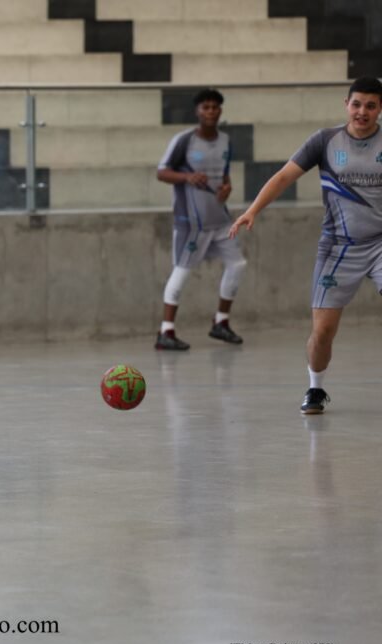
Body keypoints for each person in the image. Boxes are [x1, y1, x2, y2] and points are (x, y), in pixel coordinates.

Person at [230, 76, 382, 414]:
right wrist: (253, 210)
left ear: (380, 109)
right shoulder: (325, 141)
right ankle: (315, 388)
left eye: (371, 106)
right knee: (323, 331)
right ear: (346, 104)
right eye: (357, 104)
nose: (362, 112)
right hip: (338, 247)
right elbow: (284, 176)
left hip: (380, 244)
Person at [154, 88, 246, 351]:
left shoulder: (226, 140)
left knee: (237, 264)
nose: (211, 111)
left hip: (220, 219)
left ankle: (221, 322)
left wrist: (227, 187)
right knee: (182, 271)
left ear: (220, 111)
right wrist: (186, 177)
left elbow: (224, 175)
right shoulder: (184, 141)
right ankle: (166, 331)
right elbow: (162, 172)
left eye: (215, 107)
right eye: (206, 107)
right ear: (197, 111)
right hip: (192, 223)